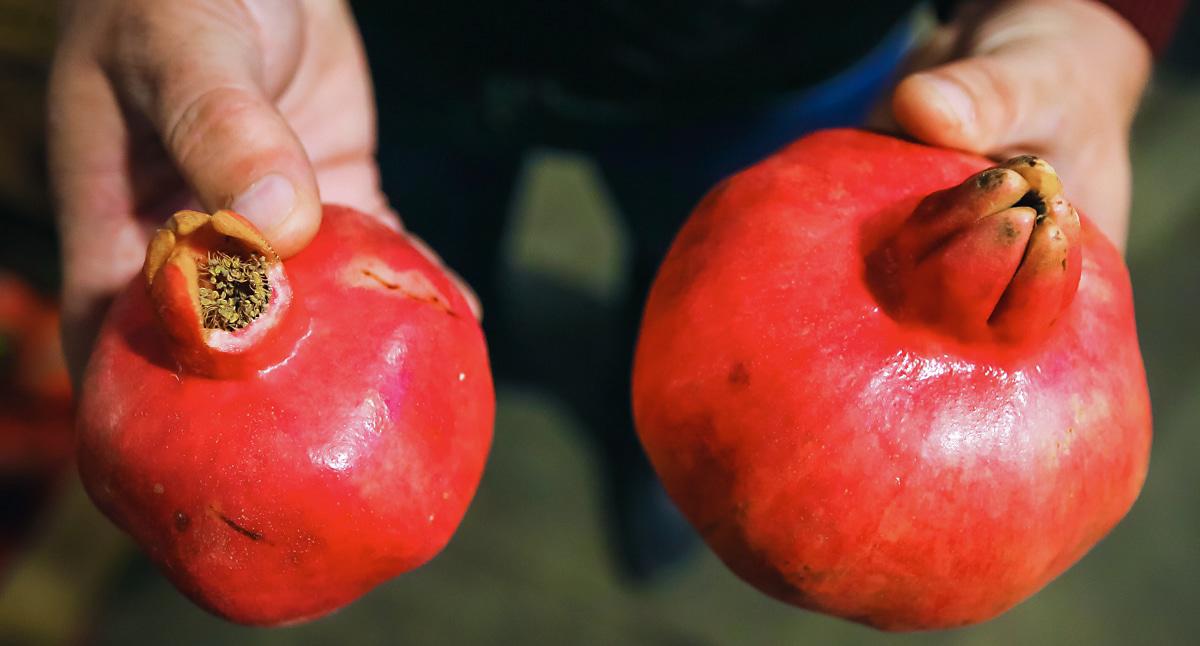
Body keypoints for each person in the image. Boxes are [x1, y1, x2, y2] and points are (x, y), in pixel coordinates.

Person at [47, 0, 1180, 578]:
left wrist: (1099, 18)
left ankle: (667, 469)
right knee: (430, 264)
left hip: (777, 61)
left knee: (711, 346)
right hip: (371, 36)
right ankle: (500, 367)